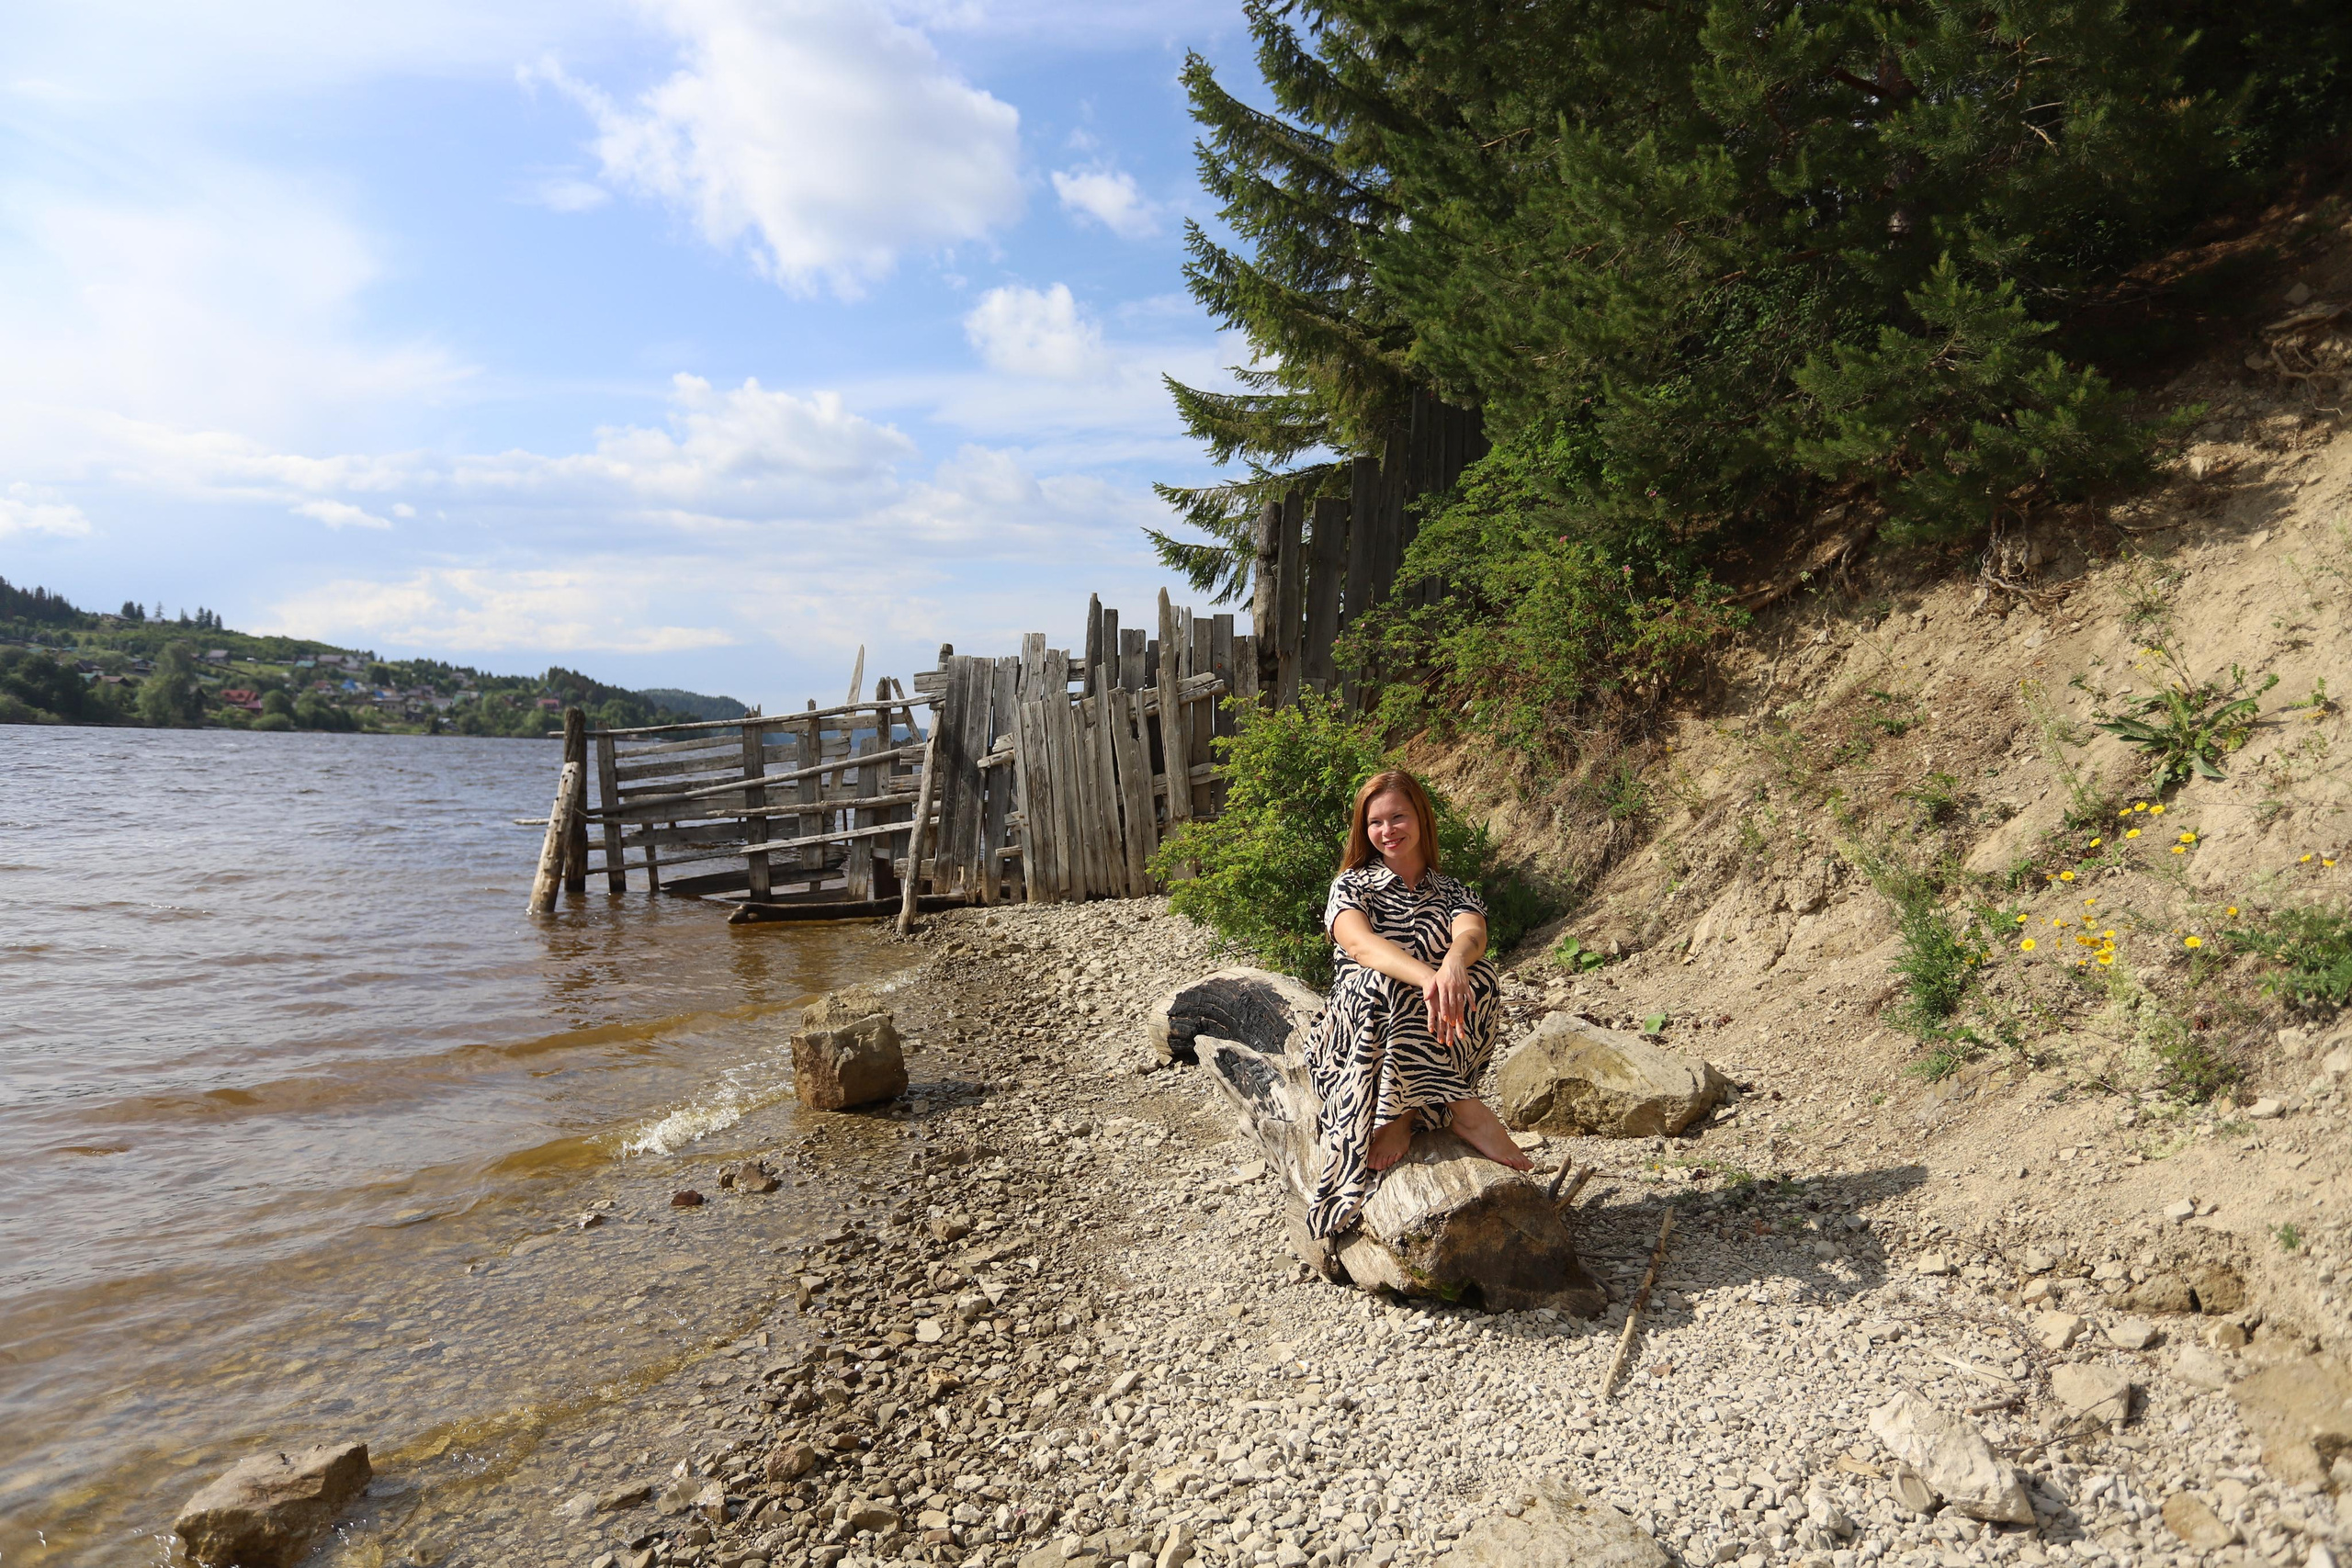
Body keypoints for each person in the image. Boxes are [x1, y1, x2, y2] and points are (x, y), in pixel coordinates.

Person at [1303, 768, 1530, 1240]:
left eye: (1398, 817)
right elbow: (1361, 946)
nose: (1387, 831)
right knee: (1389, 985)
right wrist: (1429, 975)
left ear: (1421, 818)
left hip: (1431, 1025)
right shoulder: (1351, 886)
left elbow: (1472, 934)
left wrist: (1453, 964)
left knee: (1479, 977)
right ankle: (1460, 1112)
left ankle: (1408, 1108)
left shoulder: (1451, 891)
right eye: (1375, 822)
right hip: (1362, 1027)